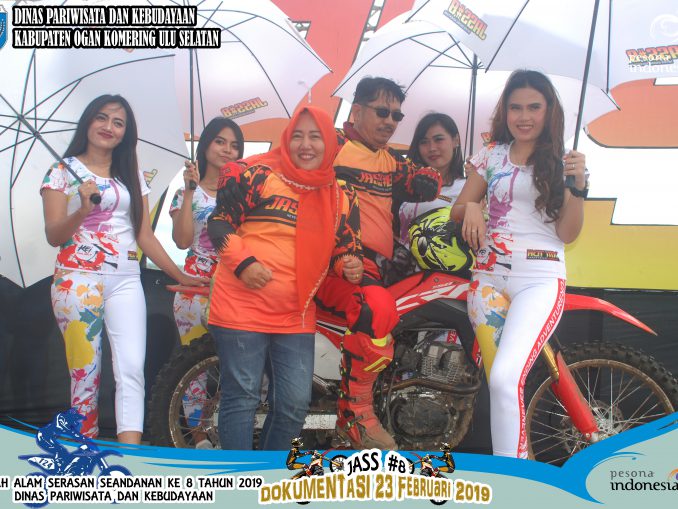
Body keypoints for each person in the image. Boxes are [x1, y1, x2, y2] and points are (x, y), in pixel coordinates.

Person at [41, 94, 207, 445]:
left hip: (127, 280)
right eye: (102, 118)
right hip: (77, 281)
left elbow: (144, 234)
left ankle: (129, 452)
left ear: (125, 132)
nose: (109, 127)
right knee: (85, 373)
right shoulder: (61, 171)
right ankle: (85, 451)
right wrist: (82, 210)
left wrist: (181, 276)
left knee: (132, 369)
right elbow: (54, 235)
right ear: (88, 121)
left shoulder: (131, 175)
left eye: (118, 123)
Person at [206, 106, 361, 450]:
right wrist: (244, 264)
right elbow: (218, 223)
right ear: (287, 139)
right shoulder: (258, 175)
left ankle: (269, 471)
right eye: (298, 136)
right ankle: (239, 476)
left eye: (315, 137)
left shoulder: (342, 195)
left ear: (329, 143)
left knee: (293, 405)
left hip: (296, 314)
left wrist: (349, 265)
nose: (305, 145)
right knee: (242, 398)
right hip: (240, 307)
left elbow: (346, 247)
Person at [450, 70, 588, 458]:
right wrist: (471, 207)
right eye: (515, 108)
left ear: (549, 111)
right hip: (487, 281)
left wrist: (579, 187)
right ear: (505, 112)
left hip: (538, 280)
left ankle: (514, 478)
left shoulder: (565, 162)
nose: (523, 116)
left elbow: (568, 234)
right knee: (501, 386)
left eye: (533, 107)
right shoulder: (491, 154)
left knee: (506, 378)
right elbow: (457, 209)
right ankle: (516, 469)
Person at [314, 77, 442, 450]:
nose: (390, 121)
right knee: (377, 308)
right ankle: (355, 415)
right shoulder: (331, 146)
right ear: (356, 110)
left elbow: (422, 181)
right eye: (382, 112)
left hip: (372, 267)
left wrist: (429, 179)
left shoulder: (389, 159)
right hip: (332, 263)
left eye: (397, 115)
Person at [169, 117, 244, 449]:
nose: (227, 150)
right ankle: (198, 437)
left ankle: (229, 431)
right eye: (220, 142)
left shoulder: (242, 193)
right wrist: (189, 191)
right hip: (195, 289)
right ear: (206, 145)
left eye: (235, 145)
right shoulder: (189, 191)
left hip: (235, 289)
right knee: (195, 367)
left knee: (239, 366)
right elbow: (182, 240)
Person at [387, 113, 470, 281]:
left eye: (438, 139)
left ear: (455, 140)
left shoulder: (469, 188)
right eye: (424, 142)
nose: (431, 148)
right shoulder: (403, 183)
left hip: (448, 280)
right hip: (399, 276)